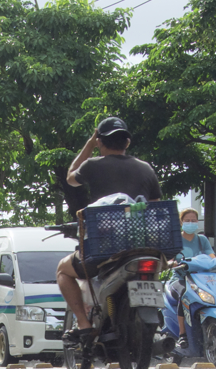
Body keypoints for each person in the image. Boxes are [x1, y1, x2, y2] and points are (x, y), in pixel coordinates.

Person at [56, 117, 162, 342]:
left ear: (100, 141)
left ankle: (84, 325)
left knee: (63, 270)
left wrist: (89, 144)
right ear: (127, 142)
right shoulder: (146, 168)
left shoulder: (92, 165)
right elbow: (154, 206)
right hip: (142, 246)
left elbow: (70, 177)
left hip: (104, 248)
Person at [170, 207, 215, 350]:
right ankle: (182, 335)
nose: (191, 223)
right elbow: (168, 258)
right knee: (185, 294)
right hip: (180, 279)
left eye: (193, 220)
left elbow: (212, 257)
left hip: (201, 280)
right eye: (187, 220)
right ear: (181, 222)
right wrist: (172, 262)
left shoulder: (202, 240)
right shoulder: (176, 240)